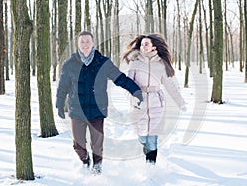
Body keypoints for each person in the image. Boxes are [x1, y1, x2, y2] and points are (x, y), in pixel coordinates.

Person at [56, 31, 143, 174]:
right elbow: (63, 87)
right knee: (78, 145)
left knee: (97, 144)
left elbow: (120, 78)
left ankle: (97, 167)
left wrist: (135, 91)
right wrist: (59, 104)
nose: (85, 44)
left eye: (87, 41)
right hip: (77, 111)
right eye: (82, 42)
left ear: (93, 44)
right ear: (78, 44)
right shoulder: (69, 64)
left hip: (97, 110)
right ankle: (85, 160)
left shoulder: (103, 62)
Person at [121, 34, 186, 165]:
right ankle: (145, 148)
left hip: (157, 102)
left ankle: (150, 167)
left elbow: (170, 86)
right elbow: (127, 85)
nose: (143, 46)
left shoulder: (161, 65)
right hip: (139, 103)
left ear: (153, 47)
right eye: (142, 44)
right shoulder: (135, 62)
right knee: (142, 136)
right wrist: (133, 98)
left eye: (146, 44)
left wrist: (180, 102)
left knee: (152, 137)